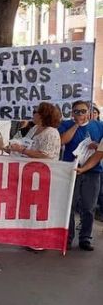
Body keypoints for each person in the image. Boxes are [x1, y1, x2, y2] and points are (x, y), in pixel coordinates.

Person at [60, 100, 103, 252]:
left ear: (89, 112)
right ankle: (68, 238)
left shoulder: (99, 126)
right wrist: (76, 125)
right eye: (77, 111)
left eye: (83, 111)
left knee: (88, 206)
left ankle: (85, 238)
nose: (80, 114)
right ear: (72, 113)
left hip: (93, 171)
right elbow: (62, 141)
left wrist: (97, 146)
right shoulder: (65, 124)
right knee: (70, 206)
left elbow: (101, 149)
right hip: (71, 169)